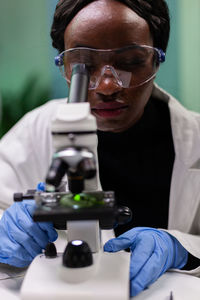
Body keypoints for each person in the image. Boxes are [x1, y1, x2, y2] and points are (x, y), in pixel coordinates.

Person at [0, 0, 200, 297]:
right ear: (64, 66)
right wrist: (6, 237)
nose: (107, 86)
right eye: (84, 65)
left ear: (157, 60)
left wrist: (183, 248)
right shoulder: (33, 132)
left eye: (131, 62)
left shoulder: (195, 140)